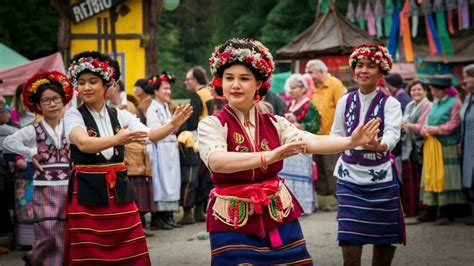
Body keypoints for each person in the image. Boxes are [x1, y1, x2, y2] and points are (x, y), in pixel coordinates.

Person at [199, 38, 380, 265]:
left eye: (244, 78)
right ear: (220, 83)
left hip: (277, 213)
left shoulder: (275, 122)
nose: (235, 85)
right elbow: (216, 161)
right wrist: (269, 156)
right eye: (229, 78)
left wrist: (349, 143)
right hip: (233, 217)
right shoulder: (212, 124)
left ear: (259, 84)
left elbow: (309, 141)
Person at [63, 51, 192, 265]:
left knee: (128, 247)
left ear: (107, 85)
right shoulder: (74, 115)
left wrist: (173, 124)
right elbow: (84, 143)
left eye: (93, 81)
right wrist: (117, 139)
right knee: (89, 250)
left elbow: (150, 136)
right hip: (87, 190)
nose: (86, 87)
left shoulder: (120, 114)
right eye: (82, 82)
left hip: (119, 190)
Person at [331, 43, 404, 265]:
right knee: (349, 236)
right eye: (359, 65)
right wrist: (346, 143)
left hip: (380, 178)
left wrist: (381, 145)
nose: (363, 70)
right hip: (349, 176)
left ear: (381, 72)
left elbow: (393, 133)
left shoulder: (391, 103)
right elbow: (336, 133)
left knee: (383, 237)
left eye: (370, 66)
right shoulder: (344, 101)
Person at [4, 71, 73, 265]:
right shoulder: (33, 129)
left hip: (68, 186)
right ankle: (36, 257)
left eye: (56, 99)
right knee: (47, 231)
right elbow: (8, 142)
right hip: (45, 187)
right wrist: (30, 152)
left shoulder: (71, 127)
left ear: (63, 101)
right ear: (39, 105)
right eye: (46, 100)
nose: (52, 104)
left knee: (65, 231)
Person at [106, 74, 156, 236]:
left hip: (135, 151)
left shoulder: (127, 106)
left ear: (116, 87)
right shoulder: (109, 107)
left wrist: (172, 125)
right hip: (122, 155)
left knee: (136, 192)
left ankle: (137, 226)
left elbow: (144, 132)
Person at [418, 76, 465, 225]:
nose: (432, 91)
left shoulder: (455, 102)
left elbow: (454, 122)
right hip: (432, 145)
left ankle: (446, 213)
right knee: (431, 175)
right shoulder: (435, 103)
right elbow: (424, 121)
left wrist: (437, 129)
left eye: (433, 89)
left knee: (445, 178)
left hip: (446, 146)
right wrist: (424, 130)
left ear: (441, 90)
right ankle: (431, 211)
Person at [305, 59, 344, 209]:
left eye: (311, 72)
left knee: (331, 168)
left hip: (331, 136)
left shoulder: (334, 84)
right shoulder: (311, 86)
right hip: (315, 136)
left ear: (321, 72)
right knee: (319, 168)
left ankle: (340, 199)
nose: (308, 75)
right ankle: (325, 201)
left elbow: (341, 109)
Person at [279, 73, 320, 214]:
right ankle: (289, 205)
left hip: (303, 144)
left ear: (303, 89)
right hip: (289, 145)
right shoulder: (289, 105)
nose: (291, 91)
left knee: (301, 177)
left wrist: (297, 124)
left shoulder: (309, 106)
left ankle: (303, 206)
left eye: (295, 88)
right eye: (290, 88)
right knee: (288, 177)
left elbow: (315, 126)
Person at [146, 71, 182, 230]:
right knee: (161, 182)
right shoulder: (153, 109)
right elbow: (155, 130)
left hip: (170, 149)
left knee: (172, 182)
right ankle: (158, 217)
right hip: (160, 149)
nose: (168, 91)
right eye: (165, 88)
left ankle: (168, 215)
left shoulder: (166, 107)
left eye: (169, 89)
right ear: (156, 91)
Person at [179, 66, 214, 224]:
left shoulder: (196, 96)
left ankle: (188, 214)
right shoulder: (209, 92)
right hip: (209, 140)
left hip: (195, 141)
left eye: (188, 79)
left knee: (190, 176)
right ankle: (200, 211)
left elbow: (192, 122)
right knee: (204, 177)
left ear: (196, 80)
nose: (186, 82)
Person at [400, 80, 432, 217]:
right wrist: (405, 125)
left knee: (422, 180)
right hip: (409, 147)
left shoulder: (428, 105)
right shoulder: (409, 105)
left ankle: (425, 209)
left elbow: (422, 126)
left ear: (425, 92)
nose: (416, 92)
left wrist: (407, 125)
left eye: (419, 89)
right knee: (411, 180)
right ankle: (413, 210)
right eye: (413, 90)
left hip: (422, 146)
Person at [461, 64, 474, 225]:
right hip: (467, 145)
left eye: (467, 77)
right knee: (470, 180)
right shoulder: (468, 97)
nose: (464, 81)